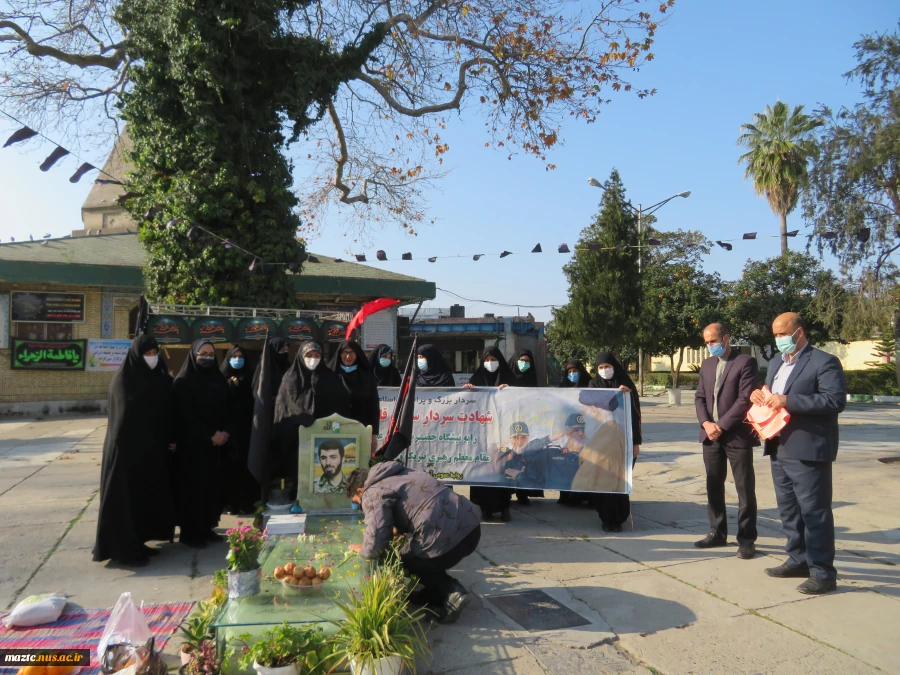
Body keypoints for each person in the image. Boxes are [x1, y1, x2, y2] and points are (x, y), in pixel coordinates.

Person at [750, 312, 846, 595]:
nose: (778, 340)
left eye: (782, 334)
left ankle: (823, 573)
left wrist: (788, 400)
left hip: (808, 449)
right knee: (789, 510)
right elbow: (772, 393)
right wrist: (760, 394)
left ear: (799, 333)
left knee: (814, 512)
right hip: (778, 445)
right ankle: (797, 559)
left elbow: (834, 400)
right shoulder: (777, 362)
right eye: (775, 335)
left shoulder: (824, 362)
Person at [346, 462, 482, 624]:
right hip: (471, 529)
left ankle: (452, 592)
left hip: (449, 540)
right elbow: (418, 505)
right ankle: (433, 595)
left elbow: (376, 541)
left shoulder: (371, 492)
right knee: (412, 549)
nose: (361, 506)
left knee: (405, 558)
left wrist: (363, 549)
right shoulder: (401, 473)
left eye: (358, 502)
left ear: (360, 490)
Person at [93, 334, 176, 566]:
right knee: (124, 501)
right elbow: (123, 420)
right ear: (136, 355)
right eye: (146, 353)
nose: (151, 357)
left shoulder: (153, 377)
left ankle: (139, 543)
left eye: (154, 353)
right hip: (125, 454)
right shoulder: (123, 380)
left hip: (147, 452)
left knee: (142, 500)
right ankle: (124, 552)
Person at [694, 323, 759, 558]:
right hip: (710, 436)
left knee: (744, 489)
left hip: (736, 435)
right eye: (707, 342)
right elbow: (700, 397)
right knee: (713, 486)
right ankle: (717, 532)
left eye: (713, 341)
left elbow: (744, 399)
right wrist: (706, 424)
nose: (710, 346)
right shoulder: (707, 364)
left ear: (726, 339)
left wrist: (721, 425)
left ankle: (747, 540)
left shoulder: (745, 362)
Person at [172, 339, 230, 547]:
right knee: (193, 489)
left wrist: (224, 432)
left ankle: (206, 528)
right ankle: (190, 533)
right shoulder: (183, 382)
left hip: (215, 447)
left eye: (210, 354)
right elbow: (185, 417)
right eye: (202, 354)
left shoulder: (217, 380)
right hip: (193, 447)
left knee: (211, 489)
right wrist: (209, 434)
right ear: (193, 355)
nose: (207, 358)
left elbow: (227, 407)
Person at [273, 341, 351, 488]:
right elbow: (283, 408)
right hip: (295, 439)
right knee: (297, 474)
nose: (313, 359)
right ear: (301, 356)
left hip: (324, 438)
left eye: (317, 355)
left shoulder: (330, 378)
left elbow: (341, 406)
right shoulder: (290, 378)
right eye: (309, 355)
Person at [588, 352, 640, 532]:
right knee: (603, 479)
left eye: (607, 367)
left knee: (619, 479)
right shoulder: (593, 385)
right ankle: (605, 518)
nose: (604, 371)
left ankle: (618, 518)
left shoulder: (626, 386)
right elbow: (590, 408)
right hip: (601, 442)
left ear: (614, 366)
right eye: (600, 368)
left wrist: (636, 443)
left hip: (622, 442)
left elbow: (635, 416)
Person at [465, 347, 518, 518]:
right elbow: (468, 405)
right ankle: (483, 508)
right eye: (486, 360)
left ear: (500, 360)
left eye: (493, 359)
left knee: (500, 468)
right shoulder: (477, 378)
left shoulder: (509, 379)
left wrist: (510, 391)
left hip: (501, 433)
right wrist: (468, 391)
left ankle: (503, 507)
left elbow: (519, 403)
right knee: (481, 469)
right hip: (481, 434)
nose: (490, 363)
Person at [221, 344, 259, 515]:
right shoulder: (221, 378)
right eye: (234, 356)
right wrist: (229, 384)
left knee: (246, 467)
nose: (237, 360)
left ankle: (246, 502)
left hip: (247, 430)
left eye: (240, 357)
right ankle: (229, 504)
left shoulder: (251, 377)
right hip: (226, 432)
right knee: (228, 468)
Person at [507, 348, 545, 504]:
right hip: (509, 424)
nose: (524, 364)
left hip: (527, 425)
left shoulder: (532, 380)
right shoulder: (507, 379)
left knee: (526, 458)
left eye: (527, 361)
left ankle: (523, 494)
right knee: (509, 459)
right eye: (521, 360)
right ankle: (507, 493)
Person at [516, 414, 585, 491]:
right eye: (576, 429)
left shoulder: (589, 456)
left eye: (583, 429)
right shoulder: (555, 453)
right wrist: (550, 438)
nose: (581, 433)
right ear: (567, 433)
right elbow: (526, 452)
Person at [557, 359, 591, 505]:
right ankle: (567, 496)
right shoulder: (562, 387)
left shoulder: (590, 385)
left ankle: (586, 496)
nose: (572, 374)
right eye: (569, 372)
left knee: (585, 462)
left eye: (575, 371)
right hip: (570, 427)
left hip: (586, 425)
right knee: (568, 462)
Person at [329, 340, 380, 434]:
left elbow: (374, 406)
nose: (348, 356)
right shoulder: (330, 375)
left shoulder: (367, 377)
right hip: (336, 428)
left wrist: (374, 433)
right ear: (340, 354)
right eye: (345, 352)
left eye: (352, 352)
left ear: (357, 355)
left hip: (361, 427)